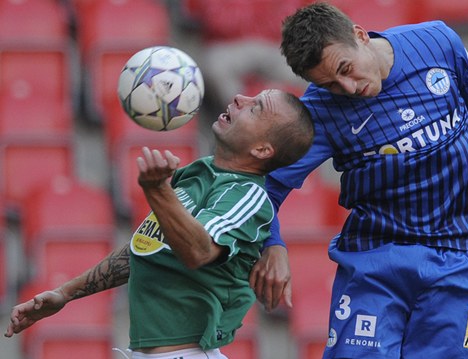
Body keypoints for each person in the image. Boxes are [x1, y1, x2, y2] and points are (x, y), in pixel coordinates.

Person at [249, 2, 468, 358]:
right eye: (330, 84)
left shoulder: (437, 42)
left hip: (463, 253)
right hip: (376, 259)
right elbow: (269, 186)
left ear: (360, 35)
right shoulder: (320, 110)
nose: (347, 87)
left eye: (345, 69)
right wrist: (273, 244)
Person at [4, 89, 314, 359]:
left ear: (262, 150)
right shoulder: (198, 172)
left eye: (256, 106)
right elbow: (145, 247)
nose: (239, 98)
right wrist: (65, 293)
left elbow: (198, 251)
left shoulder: (249, 196)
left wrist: (157, 191)